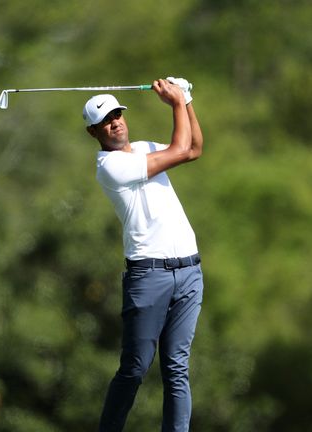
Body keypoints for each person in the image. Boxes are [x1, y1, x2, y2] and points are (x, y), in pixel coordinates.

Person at [82, 77, 204, 432]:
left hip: (189, 271)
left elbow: (193, 149)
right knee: (135, 367)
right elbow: (180, 149)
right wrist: (176, 102)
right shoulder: (110, 167)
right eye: (106, 120)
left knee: (177, 367)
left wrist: (188, 101)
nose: (116, 122)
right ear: (94, 132)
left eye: (118, 114)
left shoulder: (145, 147)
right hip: (148, 276)